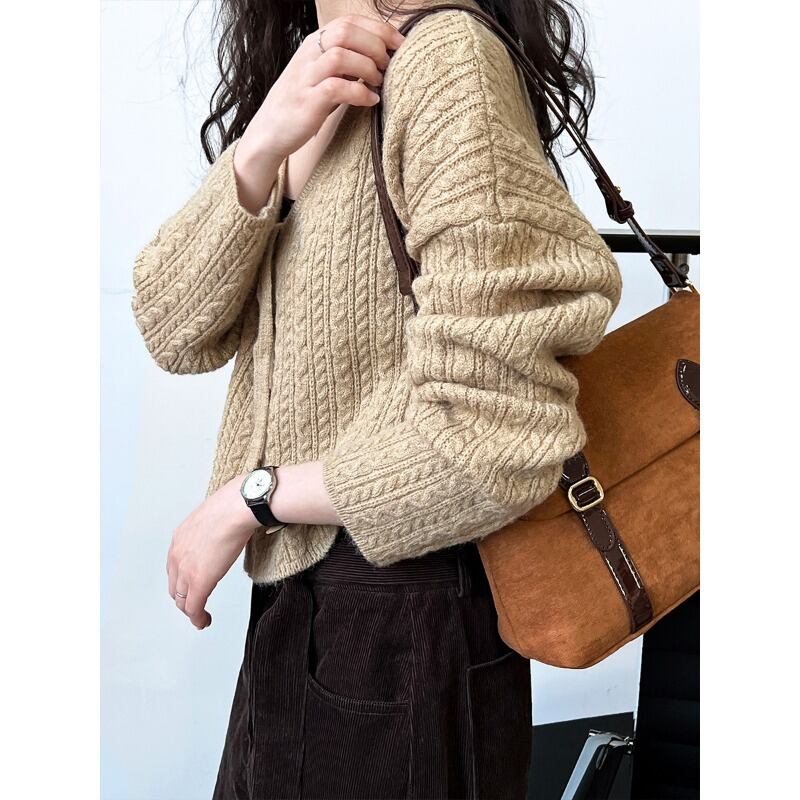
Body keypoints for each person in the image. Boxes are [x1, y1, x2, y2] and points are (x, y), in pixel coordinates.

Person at [130, 0, 623, 796]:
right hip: (309, 614)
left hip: (404, 623)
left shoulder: (444, 63)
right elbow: (172, 328)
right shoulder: (313, 82)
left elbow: (496, 433)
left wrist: (249, 500)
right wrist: (261, 149)